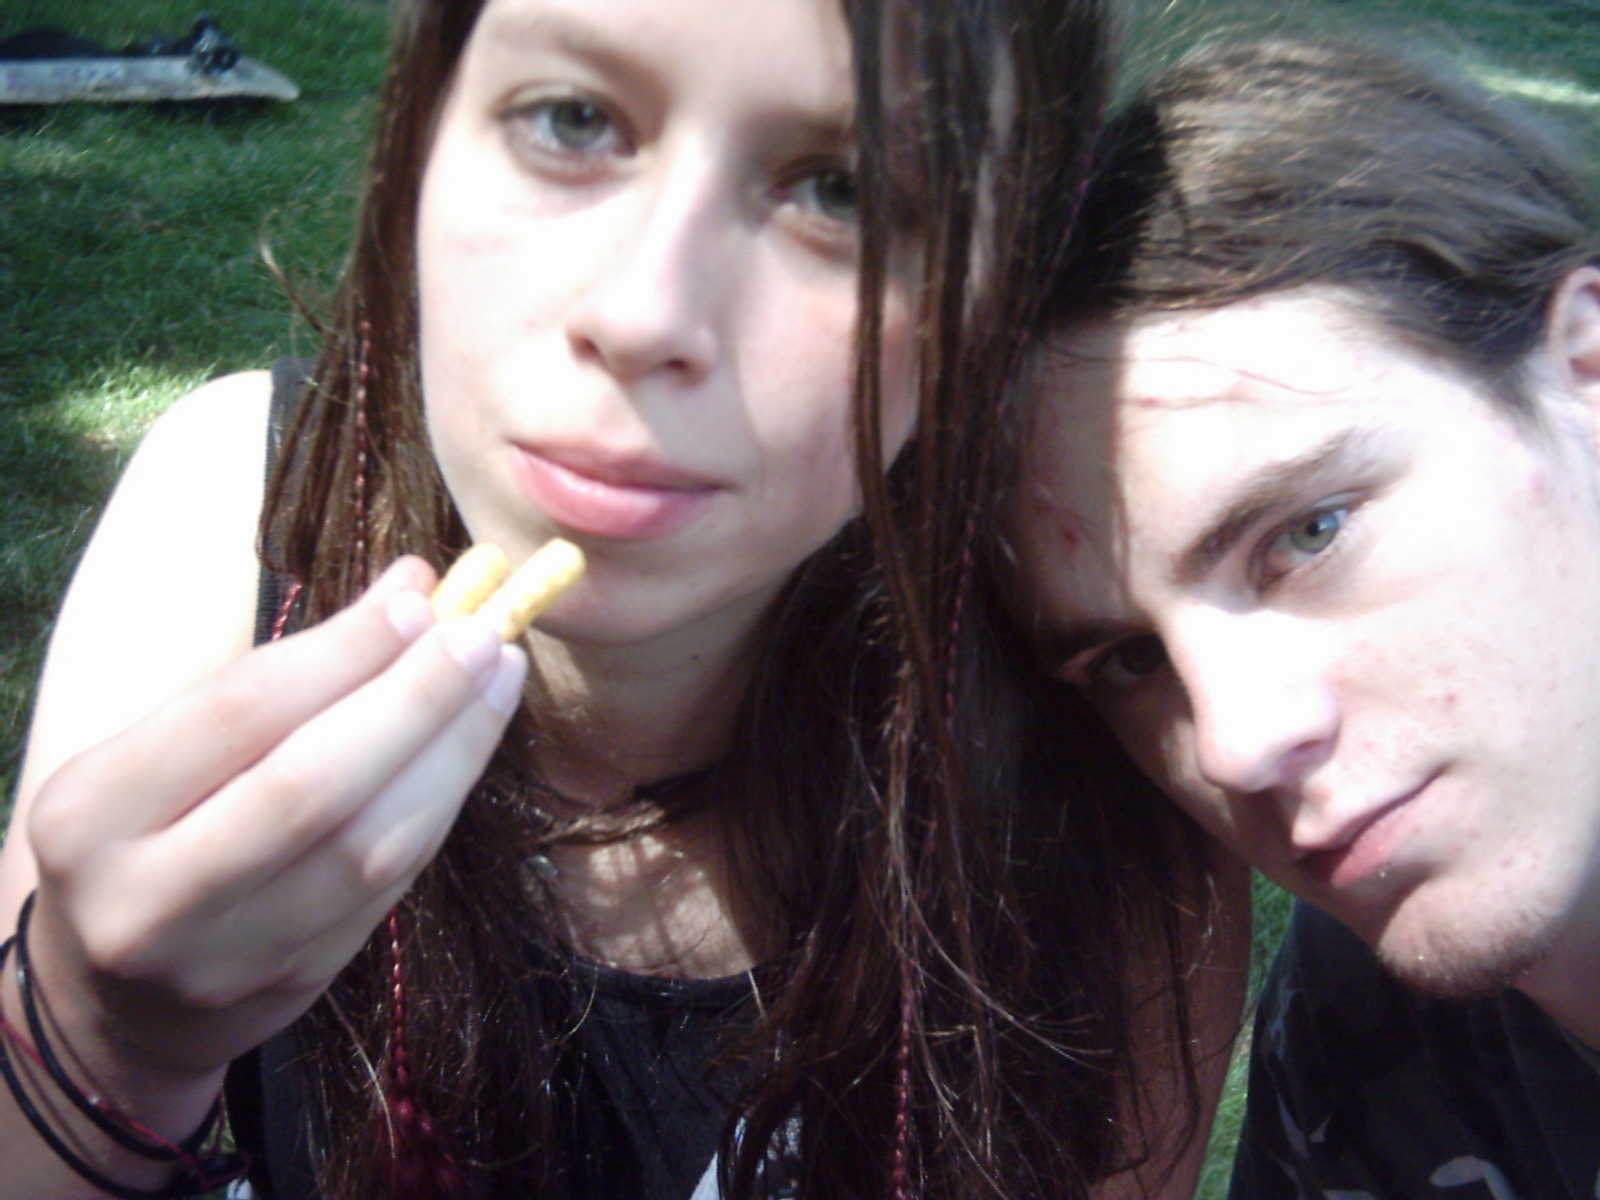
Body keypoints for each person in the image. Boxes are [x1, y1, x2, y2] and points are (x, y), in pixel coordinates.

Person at [0, 1, 1240, 1197]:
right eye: (572, 119)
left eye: (844, 192)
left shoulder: (1096, 827)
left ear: (992, 295)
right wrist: (109, 1038)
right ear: (423, 129)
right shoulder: (239, 512)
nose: (644, 314)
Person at [1004, 35, 1600, 1200]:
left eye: (1309, 533)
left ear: (1582, 372)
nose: (1233, 747)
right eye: (1131, 659)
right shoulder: (1366, 1034)